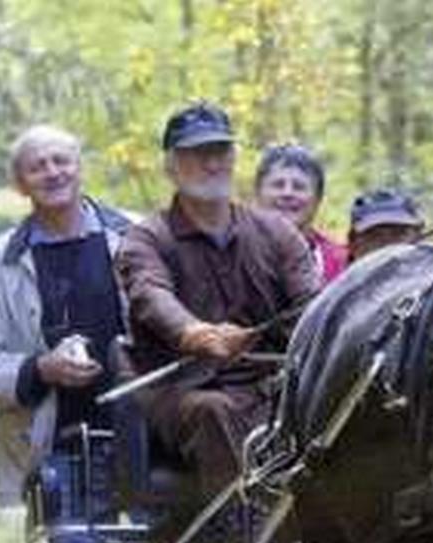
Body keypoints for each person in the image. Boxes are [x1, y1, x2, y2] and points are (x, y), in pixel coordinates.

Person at [117, 103, 320, 502]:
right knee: (214, 410)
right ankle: (245, 534)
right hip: (179, 391)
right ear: (171, 166)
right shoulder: (146, 238)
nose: (212, 164)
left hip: (273, 387)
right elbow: (149, 294)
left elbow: (311, 304)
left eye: (220, 152)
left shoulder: (276, 232)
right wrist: (195, 333)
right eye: (197, 154)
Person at [0, 124, 131, 543]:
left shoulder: (134, 233)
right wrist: (41, 369)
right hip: (58, 441)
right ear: (21, 183)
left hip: (147, 433)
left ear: (80, 167)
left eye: (61, 160)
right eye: (37, 166)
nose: (52, 172)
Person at [254, 144, 347, 282]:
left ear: (318, 199)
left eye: (299, 187)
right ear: (258, 193)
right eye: (278, 185)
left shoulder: (341, 263)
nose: (287, 193)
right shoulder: (233, 254)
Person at [347, 188, 425, 263]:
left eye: (398, 233)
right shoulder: (341, 276)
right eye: (375, 235)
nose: (388, 242)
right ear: (354, 244)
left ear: (419, 236)